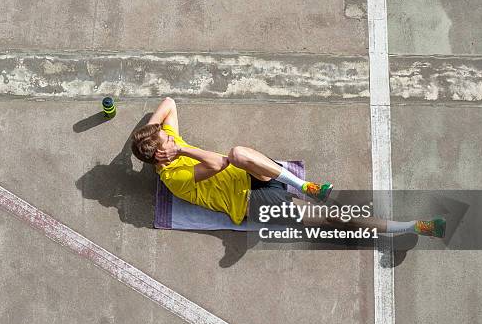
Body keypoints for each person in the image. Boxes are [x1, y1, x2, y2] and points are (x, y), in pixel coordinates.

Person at [130, 97, 445, 237]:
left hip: (253, 173)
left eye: (165, 134)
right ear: (160, 157)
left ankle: (302, 185)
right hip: (250, 202)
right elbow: (217, 162)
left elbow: (169, 102)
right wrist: (181, 147)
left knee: (240, 151)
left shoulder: (163, 139)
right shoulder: (175, 177)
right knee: (334, 219)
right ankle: (414, 227)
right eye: (164, 141)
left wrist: (149, 133)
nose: (169, 136)